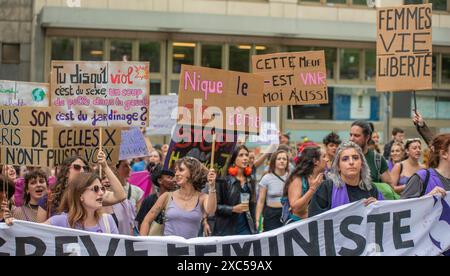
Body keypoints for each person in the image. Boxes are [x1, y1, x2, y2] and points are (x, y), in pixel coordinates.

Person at [139, 157, 217, 239]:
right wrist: (143, 243)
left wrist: (212, 186)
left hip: (190, 250)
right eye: (176, 170)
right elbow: (146, 221)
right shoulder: (167, 196)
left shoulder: (202, 198)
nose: (176, 174)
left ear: (192, 172)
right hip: (167, 249)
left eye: (181, 170)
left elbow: (211, 211)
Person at [37, 152, 127, 222]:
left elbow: (120, 196)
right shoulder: (49, 199)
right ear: (66, 172)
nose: (82, 170)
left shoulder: (94, 193)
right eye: (77, 167)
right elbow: (40, 231)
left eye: (85, 168)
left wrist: (105, 167)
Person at [309, 142, 383, 217]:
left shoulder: (371, 188)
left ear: (362, 164)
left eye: (355, 158)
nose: (351, 162)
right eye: (345, 159)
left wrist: (378, 207)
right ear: (338, 166)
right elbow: (314, 221)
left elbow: (385, 219)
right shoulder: (326, 188)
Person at [45, 173, 119, 234]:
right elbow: (35, 232)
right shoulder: (60, 222)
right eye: (96, 189)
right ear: (80, 195)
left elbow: (118, 250)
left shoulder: (108, 221)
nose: (101, 193)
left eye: (102, 188)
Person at [213, 145, 257, 236]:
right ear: (233, 159)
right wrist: (233, 209)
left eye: (246, 155)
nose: (245, 158)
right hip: (227, 229)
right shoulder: (223, 180)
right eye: (241, 155)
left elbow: (252, 205)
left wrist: (254, 227)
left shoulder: (250, 180)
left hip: (246, 229)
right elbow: (214, 208)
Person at [281, 147, 327, 223]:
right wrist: (312, 189)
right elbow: (295, 208)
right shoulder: (298, 179)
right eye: (324, 157)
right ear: (315, 161)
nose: (327, 159)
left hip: (317, 225)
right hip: (298, 226)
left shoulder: (324, 178)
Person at [402, 133, 450, 199]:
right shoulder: (422, 177)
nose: (418, 150)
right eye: (414, 148)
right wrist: (427, 199)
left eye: (419, 148)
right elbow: (402, 207)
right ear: (444, 154)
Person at [255, 150, 289, 232]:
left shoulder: (291, 177)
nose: (282, 161)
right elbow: (261, 201)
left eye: (284, 159)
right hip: (270, 215)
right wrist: (257, 220)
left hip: (287, 214)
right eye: (279, 159)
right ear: (274, 161)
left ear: (287, 162)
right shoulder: (266, 178)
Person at [350, 120, 392, 185]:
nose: (352, 139)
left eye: (356, 135)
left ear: (367, 137)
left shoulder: (378, 159)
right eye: (351, 135)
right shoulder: (342, 157)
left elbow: (389, 187)